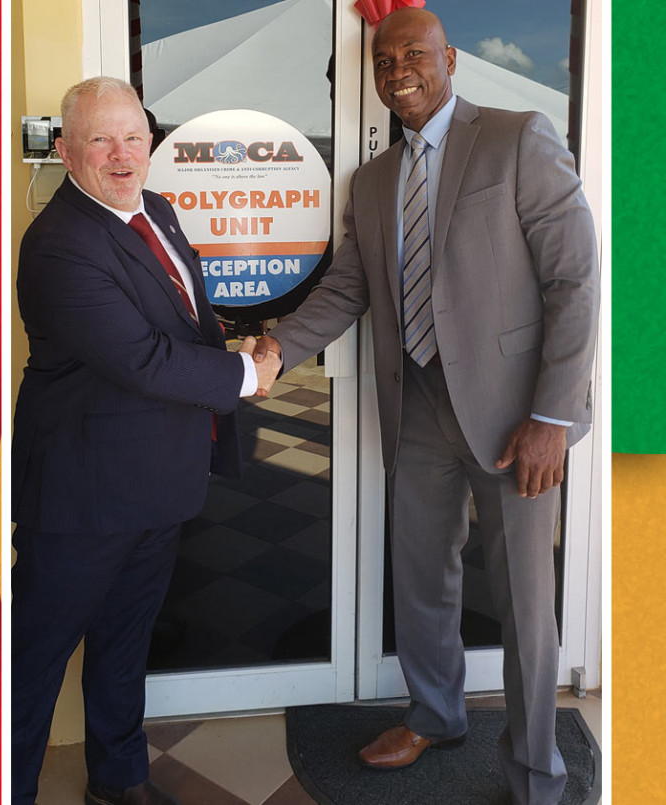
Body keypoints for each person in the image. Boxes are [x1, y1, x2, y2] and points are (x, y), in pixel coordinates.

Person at [253, 8, 599, 804]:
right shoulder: (373, 181)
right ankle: (436, 713)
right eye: (383, 60)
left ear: (449, 57)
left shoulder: (518, 137)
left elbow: (575, 280)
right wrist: (275, 350)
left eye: (413, 53)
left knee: (522, 600)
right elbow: (350, 286)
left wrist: (553, 415)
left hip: (516, 420)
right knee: (419, 578)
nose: (397, 69)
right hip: (415, 404)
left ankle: (538, 769)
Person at [11, 77, 280, 805]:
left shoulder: (155, 209)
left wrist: (236, 341)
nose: (120, 153)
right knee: (31, 660)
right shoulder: (58, 245)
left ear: (152, 142)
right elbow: (140, 359)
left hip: (158, 480)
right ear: (65, 151)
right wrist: (247, 376)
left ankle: (119, 777)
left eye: (132, 135)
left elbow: (181, 323)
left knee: (125, 643)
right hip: (81, 494)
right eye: (99, 138)